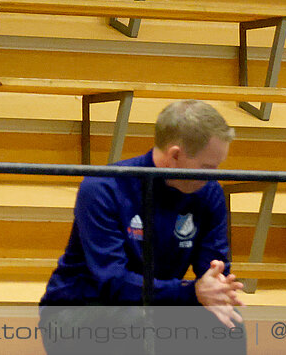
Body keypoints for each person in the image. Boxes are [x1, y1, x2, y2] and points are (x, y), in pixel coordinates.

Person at [39, 101, 246, 355]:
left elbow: (213, 268)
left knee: (229, 323)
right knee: (136, 325)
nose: (214, 175)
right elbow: (113, 283)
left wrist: (217, 287)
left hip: (157, 304)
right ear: (175, 155)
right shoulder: (103, 187)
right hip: (83, 308)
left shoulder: (209, 191)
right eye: (207, 167)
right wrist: (191, 292)